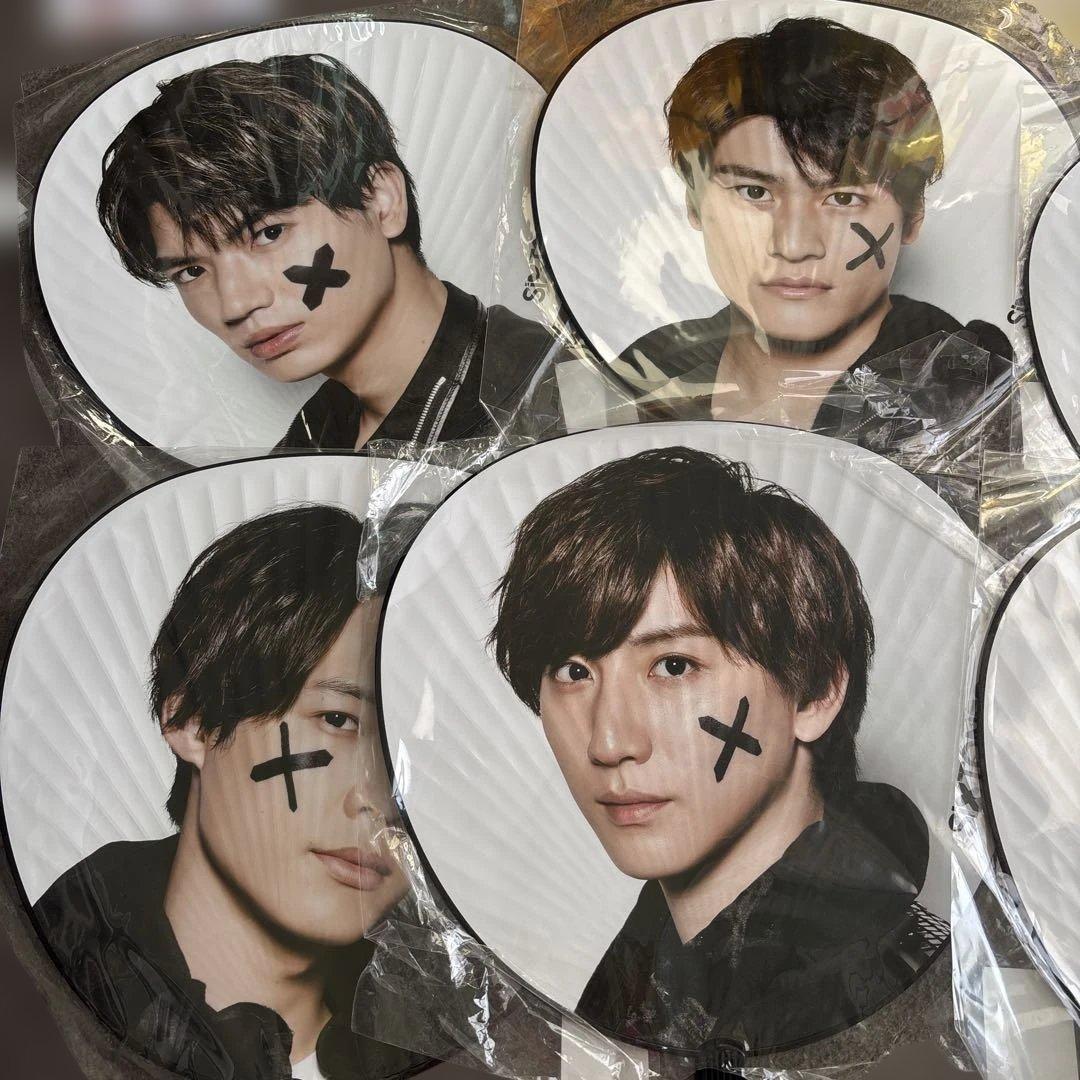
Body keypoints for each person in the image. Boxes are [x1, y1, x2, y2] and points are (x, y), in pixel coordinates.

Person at [489, 447, 948, 1054]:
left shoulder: (893, 999)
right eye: (574, 672)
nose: (609, 742)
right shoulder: (638, 982)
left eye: (674, 666)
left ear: (813, 692)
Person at [33, 504, 432, 1080]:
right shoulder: (39, 990)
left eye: (420, 752)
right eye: (339, 720)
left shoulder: (467, 1039)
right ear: (192, 721)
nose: (382, 798)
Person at [97, 52, 564, 449]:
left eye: (268, 233)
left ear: (381, 200)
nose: (235, 303)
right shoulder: (313, 441)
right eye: (191, 271)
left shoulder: (547, 403)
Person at [618, 17, 1017, 456]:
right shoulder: (643, 375)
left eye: (843, 198)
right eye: (754, 192)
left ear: (913, 215)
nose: (794, 246)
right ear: (693, 205)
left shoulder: (959, 384)